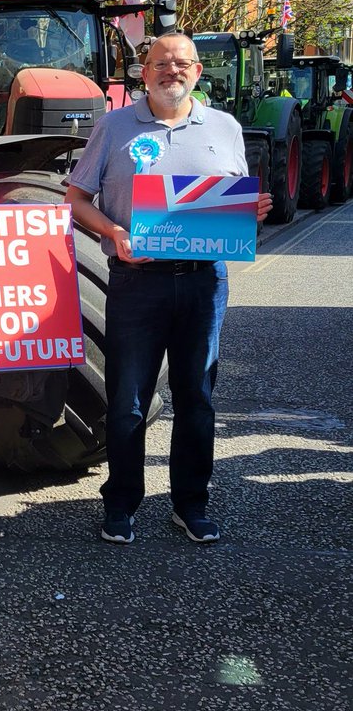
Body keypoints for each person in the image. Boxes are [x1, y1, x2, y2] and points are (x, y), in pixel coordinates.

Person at [65, 32, 272, 546]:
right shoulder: (114, 127)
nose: (170, 71)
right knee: (128, 400)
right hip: (138, 283)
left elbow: (230, 198)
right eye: (160, 62)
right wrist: (112, 233)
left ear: (197, 72)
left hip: (205, 283)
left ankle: (190, 505)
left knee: (197, 397)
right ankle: (122, 504)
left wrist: (249, 211)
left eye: (181, 63)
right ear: (144, 72)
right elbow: (76, 198)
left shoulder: (224, 127)